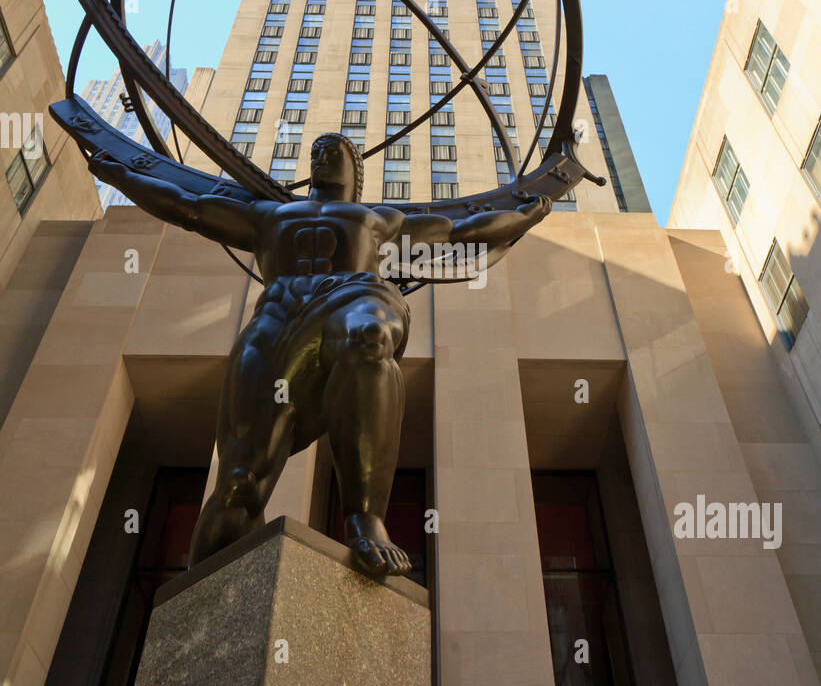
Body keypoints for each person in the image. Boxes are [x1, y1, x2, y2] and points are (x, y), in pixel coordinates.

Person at [91, 133, 550, 577]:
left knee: (370, 336)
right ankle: (201, 594)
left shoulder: (378, 220)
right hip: (277, 319)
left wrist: (527, 216)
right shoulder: (268, 214)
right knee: (238, 481)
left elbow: (459, 231)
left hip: (353, 296)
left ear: (356, 169)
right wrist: (118, 174)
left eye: (335, 150)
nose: (322, 154)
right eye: (316, 150)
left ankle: (365, 518)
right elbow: (187, 207)